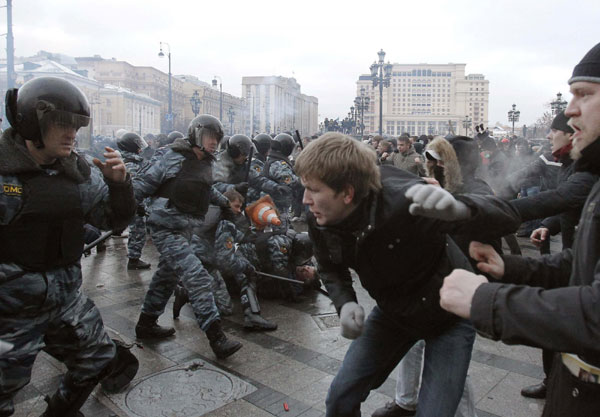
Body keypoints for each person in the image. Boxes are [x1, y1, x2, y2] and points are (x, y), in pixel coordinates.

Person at [295, 132, 519, 417]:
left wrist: (459, 209)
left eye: (313, 189)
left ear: (347, 193)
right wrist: (345, 302)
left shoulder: (406, 198)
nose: (305, 199)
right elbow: (329, 266)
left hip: (449, 312)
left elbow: (508, 216)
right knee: (341, 395)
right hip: (394, 311)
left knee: (435, 412)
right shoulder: (319, 216)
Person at [436, 42, 600, 417]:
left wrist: (483, 300)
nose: (569, 111)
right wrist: (511, 267)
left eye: (584, 94)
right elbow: (584, 266)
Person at [0, 76, 137, 416]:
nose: (71, 133)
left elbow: (113, 221)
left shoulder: (76, 173)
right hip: (11, 312)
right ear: (33, 123)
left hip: (65, 301)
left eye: (75, 125)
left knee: (99, 357)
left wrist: (119, 186)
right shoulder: (5, 175)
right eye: (61, 124)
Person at [132, 114, 242, 359]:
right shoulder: (170, 156)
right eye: (209, 136)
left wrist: (225, 204)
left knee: (166, 277)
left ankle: (146, 324)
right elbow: (141, 185)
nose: (214, 142)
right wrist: (128, 204)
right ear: (196, 135)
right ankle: (217, 338)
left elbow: (205, 188)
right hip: (165, 228)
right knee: (197, 277)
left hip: (185, 229)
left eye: (217, 138)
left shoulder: (203, 162)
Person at [116, 132, 152, 270]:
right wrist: (140, 206)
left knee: (136, 231)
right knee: (138, 231)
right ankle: (134, 259)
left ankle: (134, 257)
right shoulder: (131, 164)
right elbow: (135, 188)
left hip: (131, 203)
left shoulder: (129, 161)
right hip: (134, 204)